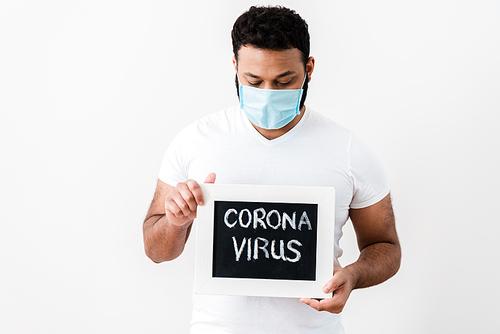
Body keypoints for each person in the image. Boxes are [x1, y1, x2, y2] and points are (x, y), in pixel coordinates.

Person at [143, 5, 401, 333]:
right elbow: (155, 249)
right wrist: (176, 222)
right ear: (235, 66)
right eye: (253, 80)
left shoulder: (348, 151)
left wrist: (352, 276)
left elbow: (387, 247)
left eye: (284, 80)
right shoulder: (195, 141)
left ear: (308, 68)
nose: (267, 95)